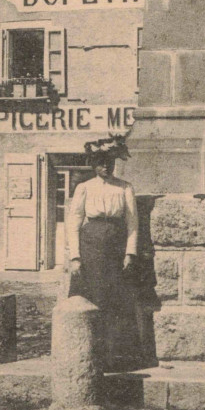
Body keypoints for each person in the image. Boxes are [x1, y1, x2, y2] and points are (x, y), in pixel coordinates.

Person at [67, 135, 141, 371]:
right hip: (91, 246)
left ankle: (116, 357)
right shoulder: (84, 188)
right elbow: (73, 223)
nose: (105, 167)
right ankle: (88, 353)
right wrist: (75, 257)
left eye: (109, 163)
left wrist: (130, 252)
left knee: (116, 300)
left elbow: (132, 222)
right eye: (100, 163)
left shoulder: (125, 187)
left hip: (116, 245)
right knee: (93, 296)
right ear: (94, 165)